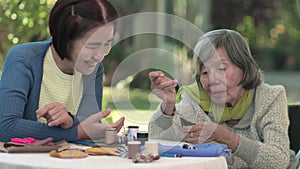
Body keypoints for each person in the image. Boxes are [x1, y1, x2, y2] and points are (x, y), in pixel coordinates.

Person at [148, 29, 298, 168]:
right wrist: (168, 106)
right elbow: (158, 142)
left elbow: (278, 161)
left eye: (221, 69)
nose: (212, 79)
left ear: (245, 68)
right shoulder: (195, 99)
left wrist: (225, 137)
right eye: (205, 72)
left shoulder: (269, 97)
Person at [0, 0, 125, 143]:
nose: (99, 55)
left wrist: (71, 121)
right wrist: (75, 132)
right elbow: (5, 127)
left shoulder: (94, 69)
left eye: (107, 43)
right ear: (64, 38)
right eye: (92, 45)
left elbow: (88, 125)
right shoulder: (24, 59)